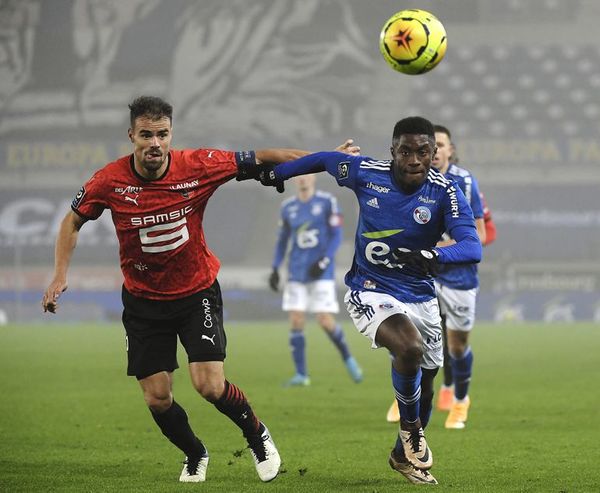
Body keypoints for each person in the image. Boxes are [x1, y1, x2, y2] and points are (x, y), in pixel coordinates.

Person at [41, 96, 355, 484]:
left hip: (196, 292)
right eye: (145, 135)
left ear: (171, 134)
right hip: (143, 301)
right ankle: (195, 453)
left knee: (209, 385)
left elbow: (263, 156)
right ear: (131, 136)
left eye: (162, 134)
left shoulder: (199, 164)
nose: (154, 142)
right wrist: (59, 275)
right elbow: (71, 222)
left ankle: (257, 435)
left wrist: (326, 158)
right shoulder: (109, 180)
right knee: (157, 397)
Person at [257, 116, 482, 485]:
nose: (413, 159)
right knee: (407, 349)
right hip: (370, 287)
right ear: (393, 151)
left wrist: (434, 256)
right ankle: (411, 431)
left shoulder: (446, 191)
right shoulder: (366, 172)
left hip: (420, 294)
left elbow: (472, 246)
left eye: (423, 152)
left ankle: (401, 454)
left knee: (425, 384)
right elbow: (327, 160)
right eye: (405, 151)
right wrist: (279, 174)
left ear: (433, 153)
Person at [385, 125, 495, 426]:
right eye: (429, 145)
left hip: (459, 275)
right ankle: (405, 399)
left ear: (448, 150)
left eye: (441, 145)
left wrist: (434, 249)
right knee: (409, 340)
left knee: (456, 346)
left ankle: (461, 401)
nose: (433, 151)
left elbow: (481, 235)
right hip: (420, 275)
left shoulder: (463, 181)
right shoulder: (408, 178)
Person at [269, 174, 363, 386]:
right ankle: (302, 375)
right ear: (294, 180)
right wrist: (275, 268)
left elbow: (337, 235)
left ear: (313, 178)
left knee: (324, 320)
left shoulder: (327, 202)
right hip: (296, 271)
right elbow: (282, 240)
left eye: (306, 175)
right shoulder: (288, 207)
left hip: (321, 273)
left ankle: (348, 358)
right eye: (299, 176)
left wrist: (325, 260)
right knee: (296, 319)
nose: (302, 179)